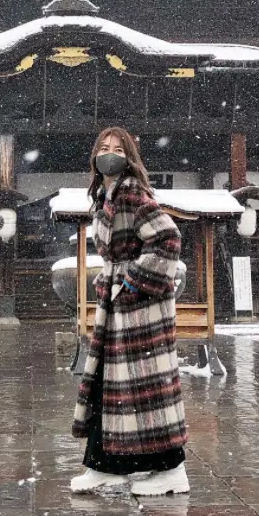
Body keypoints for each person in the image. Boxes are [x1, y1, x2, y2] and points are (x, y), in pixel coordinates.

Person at [70, 126, 189, 495]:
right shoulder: (105, 196)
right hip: (120, 308)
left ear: (129, 158)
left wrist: (133, 283)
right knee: (111, 385)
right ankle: (105, 464)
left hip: (142, 311)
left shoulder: (131, 193)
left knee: (148, 387)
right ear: (95, 155)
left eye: (119, 149)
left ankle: (172, 469)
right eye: (104, 147)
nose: (110, 154)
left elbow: (168, 239)